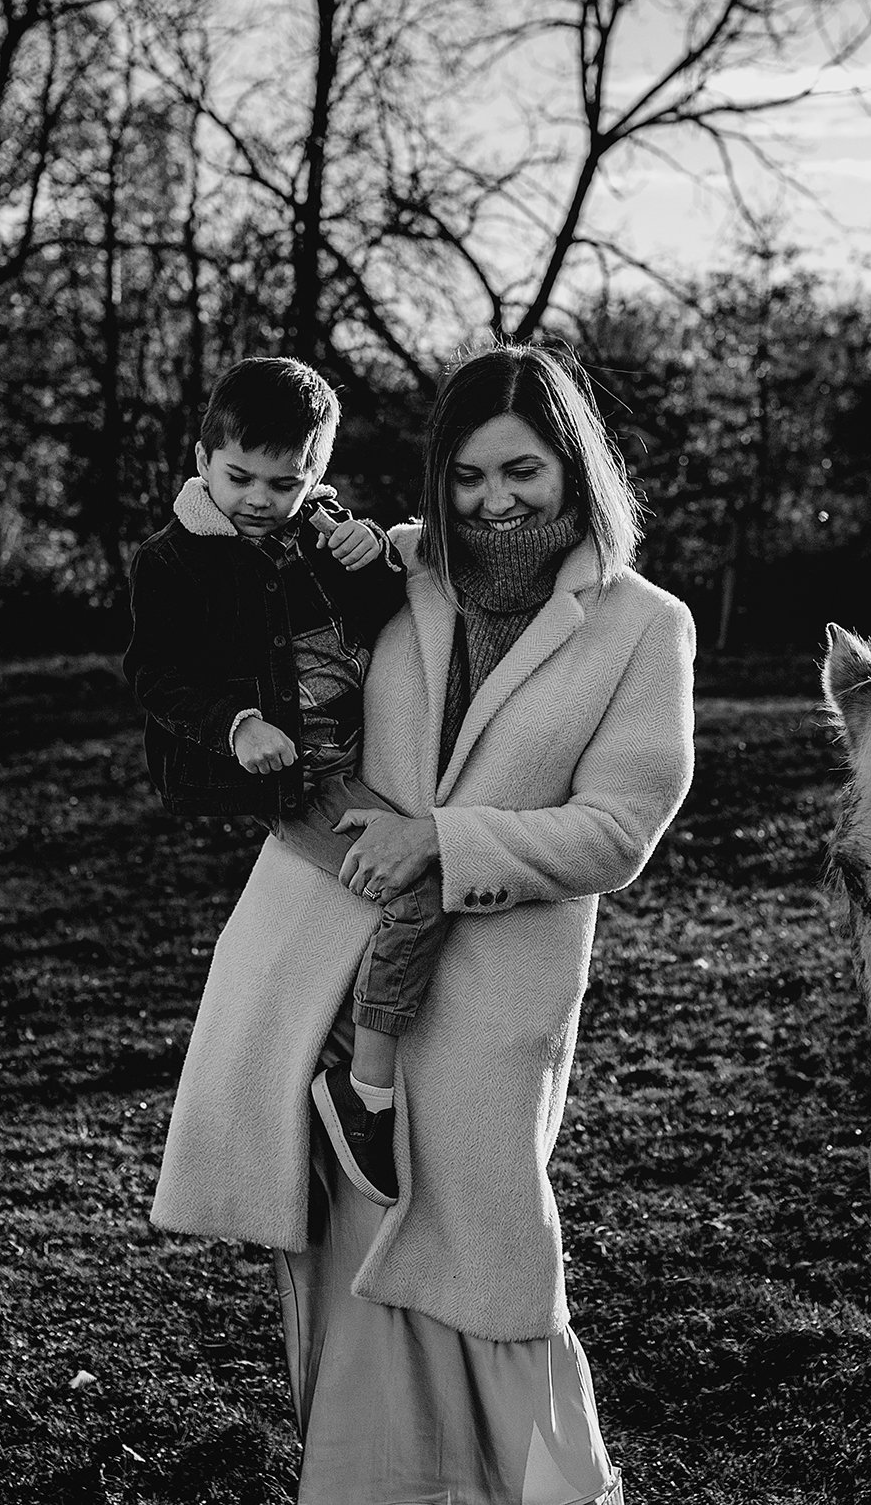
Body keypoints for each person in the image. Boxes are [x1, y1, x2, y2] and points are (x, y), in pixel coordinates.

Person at [152, 345, 697, 1505]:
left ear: (573, 470)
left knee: (492, 1257)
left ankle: (535, 1489)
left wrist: (449, 844)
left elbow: (619, 828)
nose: (491, 500)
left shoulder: (645, 627)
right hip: (322, 979)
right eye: (466, 474)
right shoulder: (392, 570)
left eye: (522, 470)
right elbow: (234, 650)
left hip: (489, 992)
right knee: (350, 1263)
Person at [122, 356, 449, 1206]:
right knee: (420, 881)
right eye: (240, 477)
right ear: (203, 460)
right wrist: (237, 726)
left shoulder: (318, 530)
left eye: (287, 481)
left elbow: (377, 610)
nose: (261, 498)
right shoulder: (174, 560)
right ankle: (364, 1088)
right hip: (302, 779)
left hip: (360, 753)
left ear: (317, 474)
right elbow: (156, 676)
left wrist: (373, 554)